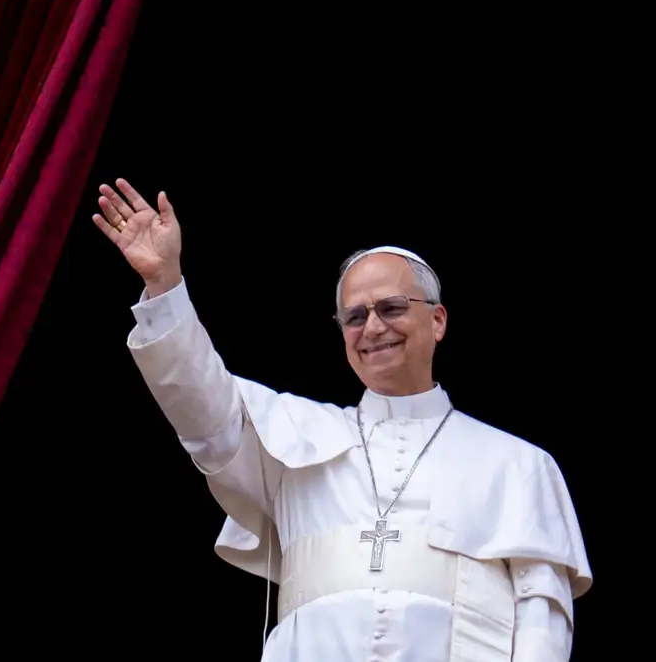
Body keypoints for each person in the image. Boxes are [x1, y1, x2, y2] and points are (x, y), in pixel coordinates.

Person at [93, 178, 592, 662]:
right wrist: (165, 285)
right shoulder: (290, 438)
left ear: (437, 320)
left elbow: (542, 620)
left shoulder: (519, 464)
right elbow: (202, 405)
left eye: (392, 307)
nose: (373, 327)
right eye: (355, 316)